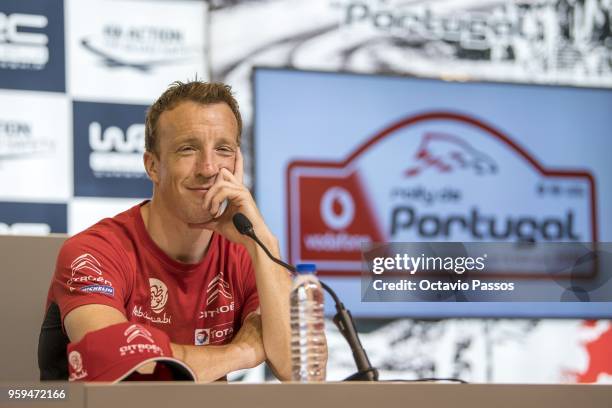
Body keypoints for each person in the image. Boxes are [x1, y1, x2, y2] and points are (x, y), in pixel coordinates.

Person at [38, 81, 298, 382]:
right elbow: (121, 368)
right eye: (188, 149)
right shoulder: (94, 251)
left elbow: (298, 370)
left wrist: (264, 242)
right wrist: (243, 352)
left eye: (223, 150)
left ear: (237, 163)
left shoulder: (247, 254)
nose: (208, 168)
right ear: (152, 165)